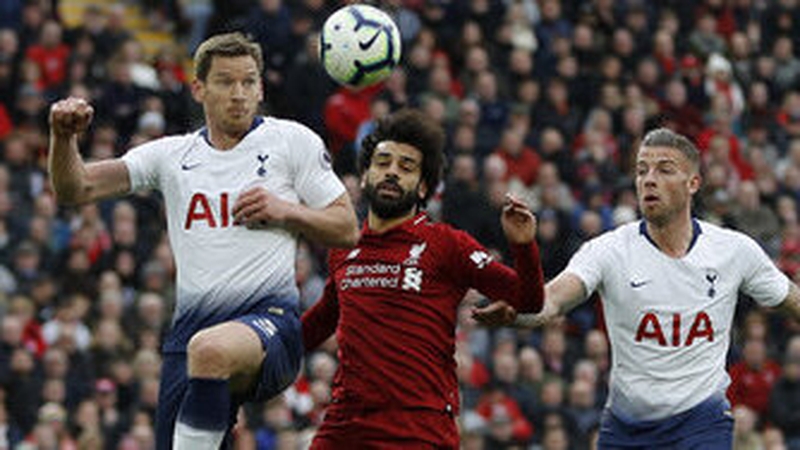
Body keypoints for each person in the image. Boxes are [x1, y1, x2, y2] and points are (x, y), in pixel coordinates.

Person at [47, 33, 359, 450]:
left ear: (261, 88)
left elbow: (346, 227)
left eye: (249, 82)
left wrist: (287, 211)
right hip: (190, 336)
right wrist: (63, 138)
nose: (239, 93)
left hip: (272, 324)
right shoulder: (172, 156)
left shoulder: (291, 141)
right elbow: (76, 188)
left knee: (210, 350)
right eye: (226, 82)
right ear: (199, 89)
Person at [474, 128, 800, 449]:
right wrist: (517, 314)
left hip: (703, 424)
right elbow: (552, 301)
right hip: (628, 430)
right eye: (642, 171)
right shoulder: (608, 251)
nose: (649, 180)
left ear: (693, 184)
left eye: (664, 170)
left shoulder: (734, 250)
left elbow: (793, 301)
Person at [301, 109, 545, 448]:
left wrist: (523, 246)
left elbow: (529, 300)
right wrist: (256, 350)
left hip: (419, 426)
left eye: (406, 167)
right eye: (382, 163)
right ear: (366, 176)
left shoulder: (446, 244)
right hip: (345, 423)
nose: (391, 172)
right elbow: (318, 324)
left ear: (423, 188)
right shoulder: (345, 248)